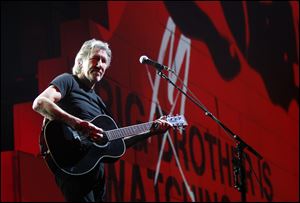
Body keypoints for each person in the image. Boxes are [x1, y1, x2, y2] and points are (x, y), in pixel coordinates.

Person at [32, 39, 171, 202]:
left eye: (104, 61)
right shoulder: (68, 81)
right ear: (81, 60)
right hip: (74, 165)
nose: (99, 64)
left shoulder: (99, 103)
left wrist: (150, 131)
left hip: (96, 175)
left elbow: (117, 143)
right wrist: (76, 123)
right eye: (95, 58)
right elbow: (40, 103)